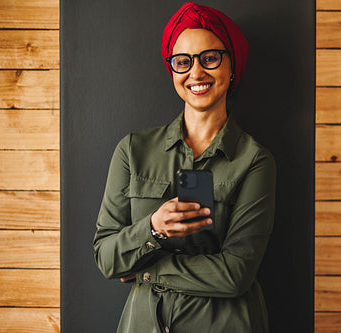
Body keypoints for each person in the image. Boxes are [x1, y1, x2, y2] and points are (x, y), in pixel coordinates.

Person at [93, 2, 276, 332]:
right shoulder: (132, 151)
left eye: (210, 58)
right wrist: (152, 227)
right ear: (173, 71)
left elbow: (236, 274)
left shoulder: (254, 161)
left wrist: (148, 269)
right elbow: (106, 257)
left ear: (231, 66)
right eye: (182, 61)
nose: (196, 73)